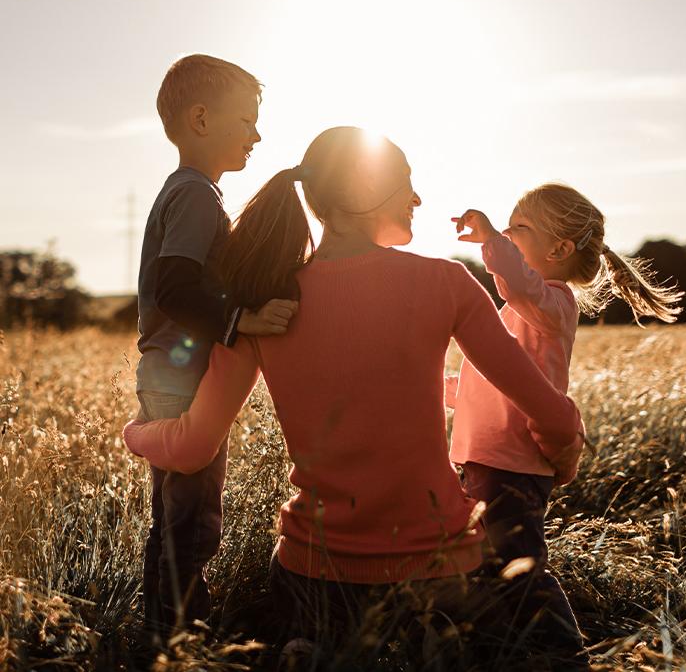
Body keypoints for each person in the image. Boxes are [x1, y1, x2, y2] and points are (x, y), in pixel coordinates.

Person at [124, 128, 584, 661]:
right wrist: (563, 455)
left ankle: (313, 647)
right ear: (367, 190)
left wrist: (135, 432)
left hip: (313, 570)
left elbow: (191, 447)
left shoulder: (265, 307)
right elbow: (551, 412)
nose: (417, 199)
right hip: (441, 571)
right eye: (407, 184)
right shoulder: (448, 283)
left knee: (323, 645)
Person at [447, 184, 683, 657]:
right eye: (509, 227)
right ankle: (503, 649)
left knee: (520, 569)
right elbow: (484, 384)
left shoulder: (552, 305)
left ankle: (563, 654)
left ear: (559, 249)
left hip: (513, 465)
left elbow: (518, 284)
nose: (509, 235)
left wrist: (492, 238)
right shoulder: (520, 311)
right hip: (486, 460)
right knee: (487, 566)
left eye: (520, 228)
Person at [136, 54, 298, 640]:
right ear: (201, 120)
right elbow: (173, 287)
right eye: (247, 120)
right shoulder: (197, 196)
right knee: (192, 520)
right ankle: (181, 639)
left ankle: (163, 630)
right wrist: (243, 319)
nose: (257, 134)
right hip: (180, 379)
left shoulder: (185, 190)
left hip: (168, 375)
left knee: (175, 516)